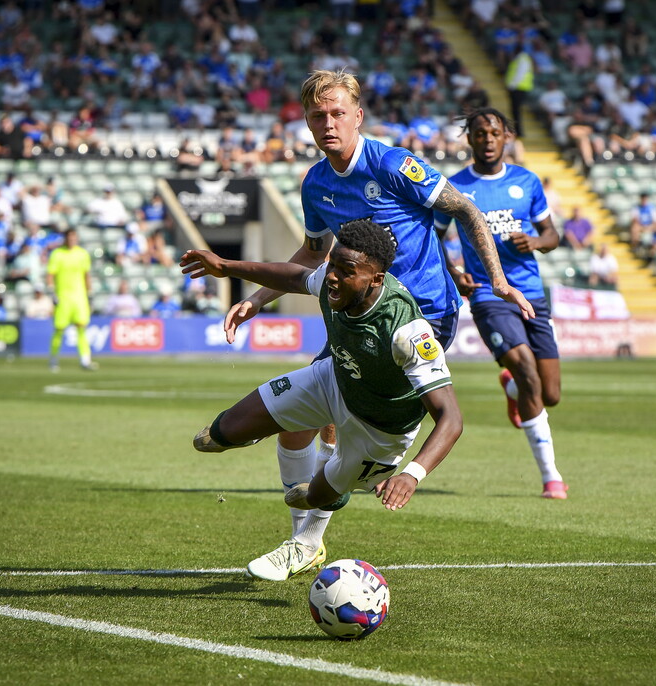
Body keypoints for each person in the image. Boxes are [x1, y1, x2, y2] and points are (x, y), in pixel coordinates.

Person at [220, 69, 532, 580]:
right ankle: (308, 536)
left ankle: (338, 501)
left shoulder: (391, 164)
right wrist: (258, 299)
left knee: (350, 428)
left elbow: (465, 208)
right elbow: (313, 253)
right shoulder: (317, 182)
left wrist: (495, 280)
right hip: (358, 316)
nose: (328, 123)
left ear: (358, 115)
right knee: (299, 421)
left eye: (338, 112)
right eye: (318, 115)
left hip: (421, 315)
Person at [181, 218, 463, 579]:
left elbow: (451, 418)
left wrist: (412, 475)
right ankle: (269, 436)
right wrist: (225, 266)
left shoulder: (407, 330)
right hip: (333, 379)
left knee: (314, 496)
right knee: (219, 434)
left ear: (375, 279)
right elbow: (293, 276)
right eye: (333, 265)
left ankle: (307, 537)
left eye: (346, 271)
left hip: (378, 431)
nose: (332, 277)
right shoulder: (332, 283)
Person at [435, 108, 567, 500]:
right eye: (480, 133)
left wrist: (537, 243)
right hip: (489, 295)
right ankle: (551, 477)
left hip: (532, 293)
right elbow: (435, 236)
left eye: (494, 132)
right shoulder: (455, 186)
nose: (488, 139)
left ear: (506, 136)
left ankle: (513, 389)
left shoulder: (526, 182)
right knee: (526, 368)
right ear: (470, 139)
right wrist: (456, 272)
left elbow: (551, 234)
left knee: (550, 394)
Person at [47, 228, 97, 372]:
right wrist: (52, 292)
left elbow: (86, 275)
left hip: (79, 297)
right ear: (65, 238)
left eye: (74, 237)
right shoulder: (57, 254)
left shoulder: (82, 254)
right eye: (69, 237)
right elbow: (50, 274)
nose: (72, 240)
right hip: (63, 297)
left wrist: (90, 293)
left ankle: (85, 360)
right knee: (59, 329)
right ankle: (53, 359)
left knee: (81, 327)